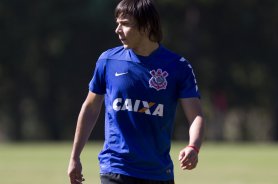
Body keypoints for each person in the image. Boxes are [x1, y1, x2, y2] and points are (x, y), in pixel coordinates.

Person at [68, 0, 205, 183]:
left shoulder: (178, 67)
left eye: (125, 24)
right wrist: (75, 156)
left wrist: (193, 147)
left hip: (157, 172)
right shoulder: (108, 60)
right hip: (115, 168)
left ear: (146, 26)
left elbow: (196, 116)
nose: (117, 30)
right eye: (117, 23)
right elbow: (91, 108)